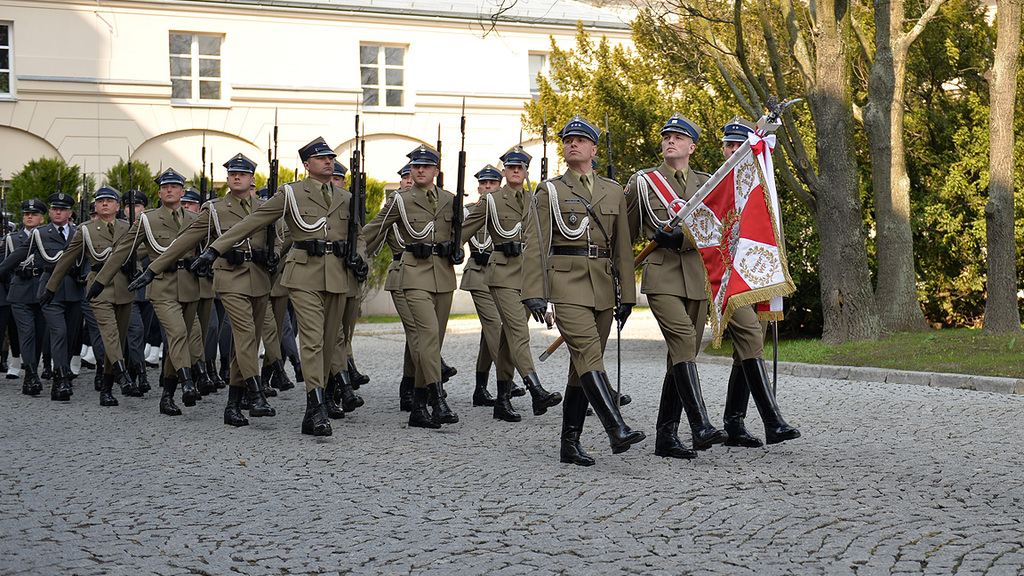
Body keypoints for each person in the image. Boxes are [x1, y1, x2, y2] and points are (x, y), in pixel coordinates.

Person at [192, 137, 368, 437]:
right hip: (303, 275)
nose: (328, 161)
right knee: (311, 340)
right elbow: (252, 222)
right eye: (321, 157)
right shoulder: (291, 194)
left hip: (338, 275)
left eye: (330, 157)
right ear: (306, 165)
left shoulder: (347, 197)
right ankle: (315, 409)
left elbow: (358, 235)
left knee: (328, 343)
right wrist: (215, 250)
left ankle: (312, 405)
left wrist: (362, 258)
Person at [521, 115, 645, 466]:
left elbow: (622, 247)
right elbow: (536, 243)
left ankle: (569, 444)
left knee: (581, 366)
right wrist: (534, 291)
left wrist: (627, 296)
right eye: (567, 140)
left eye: (580, 140)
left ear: (593, 148)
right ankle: (615, 428)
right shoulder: (551, 191)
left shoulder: (612, 190)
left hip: (604, 286)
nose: (572, 143)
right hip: (566, 283)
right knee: (589, 354)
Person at [131, 153, 278, 427]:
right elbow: (184, 241)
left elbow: (277, 239)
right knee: (244, 337)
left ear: (252, 179)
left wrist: (276, 255)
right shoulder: (215, 209)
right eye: (233, 173)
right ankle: (256, 393)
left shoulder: (265, 206)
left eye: (242, 174)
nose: (237, 177)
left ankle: (232, 406)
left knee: (246, 345)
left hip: (259, 279)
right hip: (230, 279)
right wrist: (152, 269)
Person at [625, 113, 728, 460]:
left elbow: (717, 229)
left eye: (678, 137)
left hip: (696, 278)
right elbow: (623, 236)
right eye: (667, 136)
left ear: (692, 146)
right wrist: (621, 287)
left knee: (680, 355)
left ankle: (665, 436)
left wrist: (683, 238)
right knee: (684, 340)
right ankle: (700, 424)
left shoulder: (707, 183)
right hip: (662, 277)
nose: (670, 140)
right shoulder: (644, 182)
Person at [715, 116, 800, 446]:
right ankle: (772, 420)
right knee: (750, 336)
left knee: (746, 351)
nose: (733, 150)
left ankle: (733, 424)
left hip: (754, 279)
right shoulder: (714, 186)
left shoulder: (760, 184)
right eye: (729, 145)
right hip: (726, 280)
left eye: (739, 145)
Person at [363, 144, 459, 429]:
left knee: (431, 342)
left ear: (435, 171)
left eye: (425, 166)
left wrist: (458, 248)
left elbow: (458, 233)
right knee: (427, 336)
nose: (419, 170)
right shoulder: (400, 200)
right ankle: (437, 398)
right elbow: (374, 229)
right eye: (416, 166)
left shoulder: (450, 199)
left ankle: (418, 407)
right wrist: (354, 252)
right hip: (412, 274)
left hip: (442, 275)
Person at [92, 168, 202, 416]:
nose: (169, 190)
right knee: (177, 332)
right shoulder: (148, 220)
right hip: (162, 286)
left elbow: (209, 248)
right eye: (165, 187)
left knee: (177, 340)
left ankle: (167, 396)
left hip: (190, 286)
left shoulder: (196, 220)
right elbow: (123, 251)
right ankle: (187, 382)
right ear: (160, 192)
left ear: (182, 192)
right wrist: (100, 281)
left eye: (174, 187)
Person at [463, 148, 562, 421]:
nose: (516, 170)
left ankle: (502, 400)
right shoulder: (492, 200)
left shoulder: (536, 201)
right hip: (502, 274)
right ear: (504, 171)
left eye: (520, 167)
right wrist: (450, 248)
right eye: (511, 166)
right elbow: (466, 228)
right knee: (519, 331)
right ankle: (536, 389)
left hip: (528, 276)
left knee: (508, 338)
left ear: (526, 172)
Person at [45, 186, 141, 405]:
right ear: (96, 206)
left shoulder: (129, 228)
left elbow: (141, 251)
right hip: (99, 288)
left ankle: (106, 390)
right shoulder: (86, 229)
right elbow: (67, 259)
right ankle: (122, 374)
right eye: (101, 201)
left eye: (110, 200)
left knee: (117, 340)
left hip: (125, 288)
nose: (105, 203)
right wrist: (51, 288)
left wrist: (134, 266)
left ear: (118, 206)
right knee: (109, 334)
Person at [459, 165, 503, 411]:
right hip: (477, 274)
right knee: (495, 327)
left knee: (489, 333)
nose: (487, 187)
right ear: (478, 187)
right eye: (484, 184)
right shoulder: (467, 212)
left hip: (502, 276)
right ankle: (507, 378)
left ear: (499, 186)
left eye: (492, 184)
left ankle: (480, 389)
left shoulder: (506, 211)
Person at [0, 199, 49, 395]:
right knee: (26, 333)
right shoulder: (13, 239)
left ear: (41, 218)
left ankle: (33, 370)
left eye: (34, 214)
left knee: (38, 334)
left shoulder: (47, 236)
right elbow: (4, 265)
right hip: (20, 290)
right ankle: (30, 374)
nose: (29, 217)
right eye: (26, 214)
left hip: (41, 290)